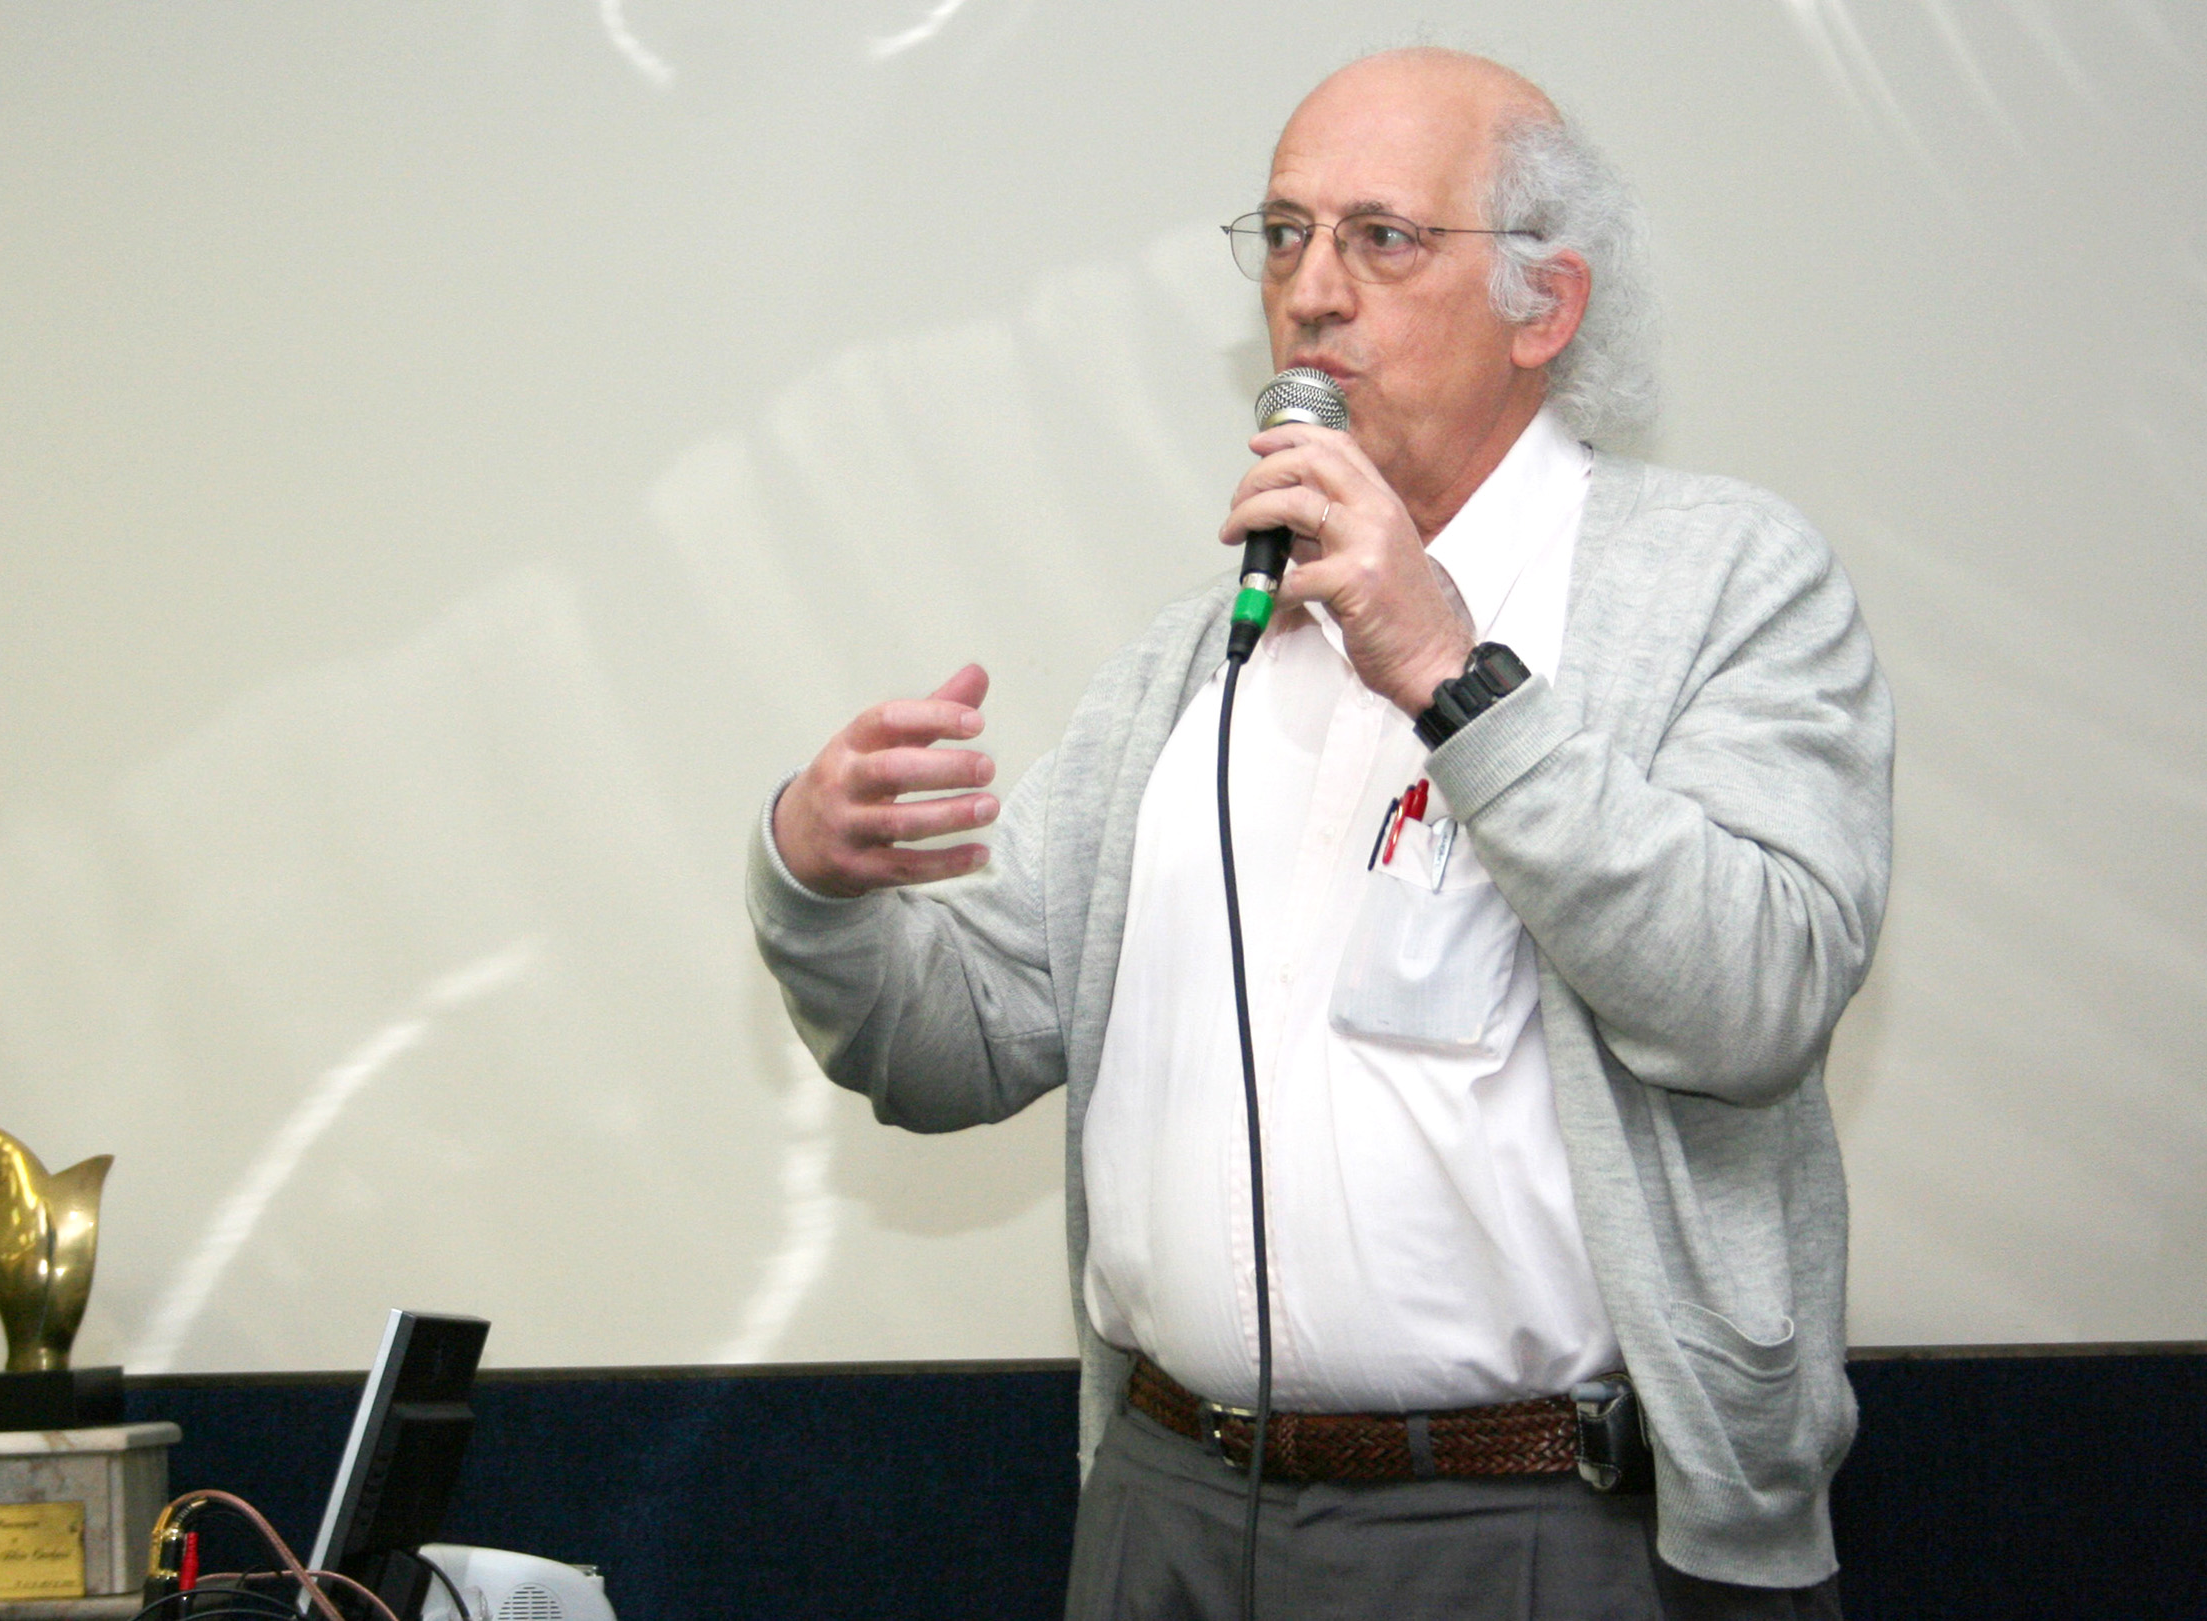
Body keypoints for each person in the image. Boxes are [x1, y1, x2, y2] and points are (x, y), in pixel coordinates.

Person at [749, 46, 1891, 1621]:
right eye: (1283, 235)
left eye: (1381, 238)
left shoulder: (1725, 581)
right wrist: (815, 883)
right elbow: (951, 1047)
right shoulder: (1195, 664)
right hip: (1169, 1506)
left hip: (1544, 1533)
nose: (1310, 290)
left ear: (1543, 304)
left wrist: (1450, 672)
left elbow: (1752, 997)